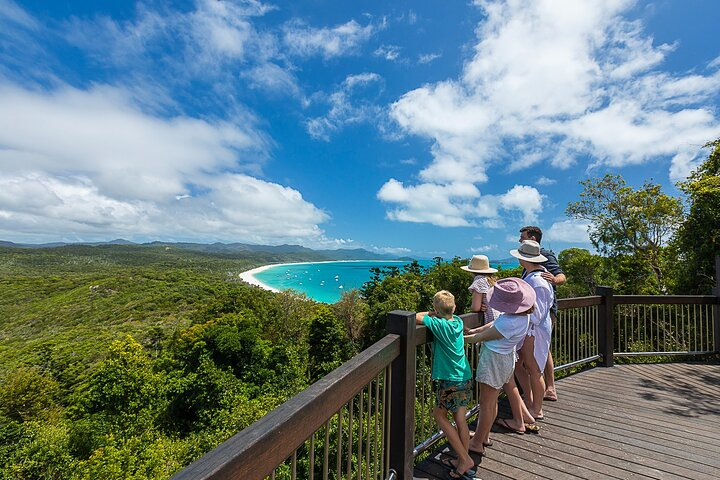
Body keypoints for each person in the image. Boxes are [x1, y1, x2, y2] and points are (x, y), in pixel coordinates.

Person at [463, 278, 535, 460]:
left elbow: (482, 337)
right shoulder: (521, 316)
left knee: (486, 404)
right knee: (491, 401)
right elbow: (493, 325)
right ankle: (483, 435)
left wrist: (456, 336)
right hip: (506, 359)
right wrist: (474, 330)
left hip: (494, 361)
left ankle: (477, 443)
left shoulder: (508, 323)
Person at [416, 291, 475, 479]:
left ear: (435, 309)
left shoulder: (439, 324)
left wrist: (431, 313)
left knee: (440, 416)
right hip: (464, 375)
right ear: (455, 307)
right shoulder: (457, 321)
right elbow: (448, 313)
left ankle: (465, 459)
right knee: (460, 418)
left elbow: (416, 317)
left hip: (450, 379)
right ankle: (461, 459)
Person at [519, 225, 566, 401]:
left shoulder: (544, 255)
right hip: (538, 313)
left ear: (532, 239)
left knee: (541, 350)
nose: (519, 241)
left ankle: (546, 390)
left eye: (522, 237)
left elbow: (561, 276)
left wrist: (554, 280)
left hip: (541, 312)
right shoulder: (531, 264)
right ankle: (535, 392)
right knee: (539, 351)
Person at [512, 240, 554, 420]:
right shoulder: (537, 276)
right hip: (531, 330)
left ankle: (537, 409)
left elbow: (537, 312)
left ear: (524, 259)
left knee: (535, 369)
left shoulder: (537, 281)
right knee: (519, 365)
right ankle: (529, 401)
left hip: (534, 331)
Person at [461, 255, 499, 325]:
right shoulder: (492, 281)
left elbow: (475, 308)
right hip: (498, 318)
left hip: (490, 320)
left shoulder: (479, 280)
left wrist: (478, 306)